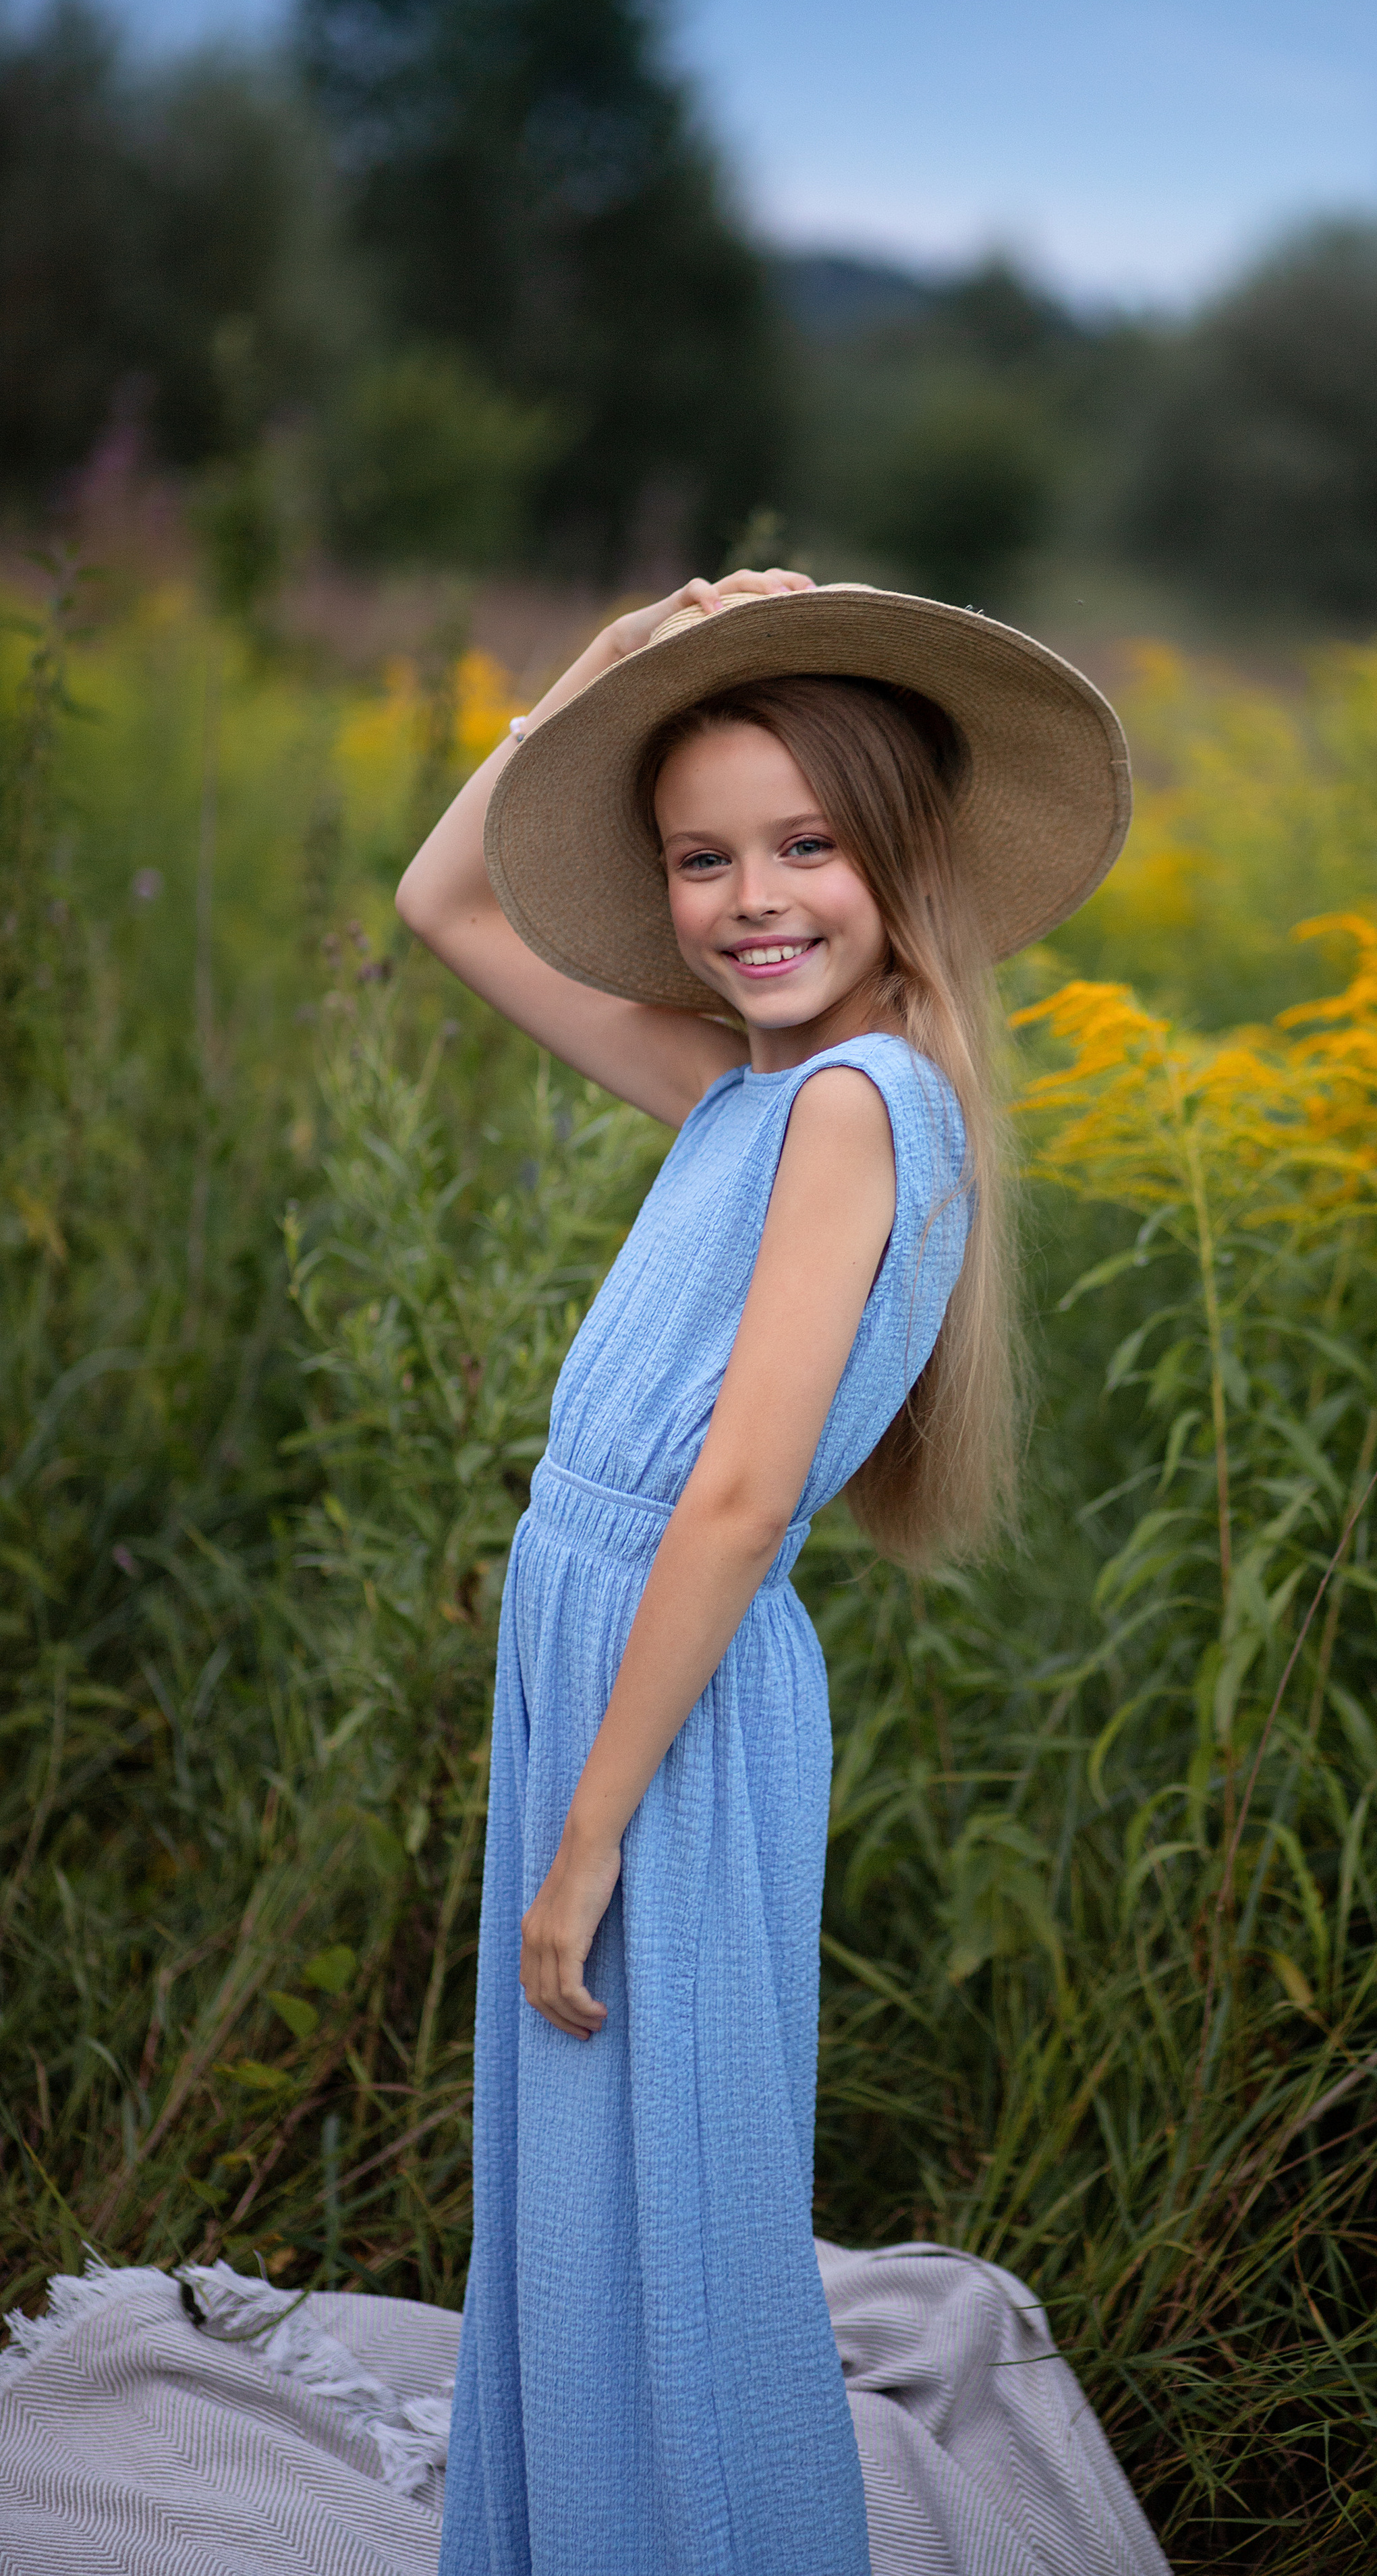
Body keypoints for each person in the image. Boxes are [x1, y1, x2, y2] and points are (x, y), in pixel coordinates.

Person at [396, 570, 1131, 2576]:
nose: (752, 898)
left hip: (669, 1698)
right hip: (606, 1660)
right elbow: (443, 908)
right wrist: (604, 672)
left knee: (683, 2210)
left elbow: (731, 1504)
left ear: (904, 859)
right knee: (587, 2191)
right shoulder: (744, 1086)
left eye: (807, 845)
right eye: (700, 858)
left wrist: (588, 1836)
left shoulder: (855, 1107)